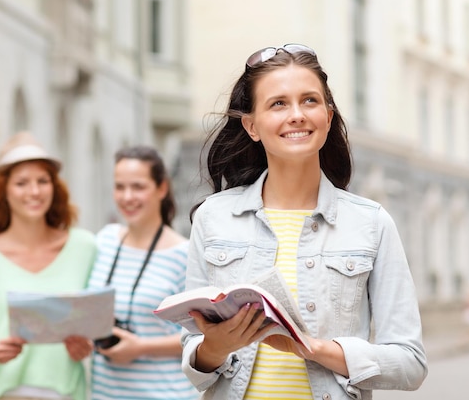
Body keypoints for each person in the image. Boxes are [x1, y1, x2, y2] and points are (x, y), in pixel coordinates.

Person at [181, 44, 428, 399]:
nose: (296, 114)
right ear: (251, 125)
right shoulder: (213, 218)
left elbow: (410, 363)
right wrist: (214, 348)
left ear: (327, 117)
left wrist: (312, 347)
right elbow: (194, 357)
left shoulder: (371, 223)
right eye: (278, 103)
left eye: (309, 101)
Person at [0, 132, 97, 400]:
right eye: (22, 183)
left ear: (54, 187)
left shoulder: (85, 247)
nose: (34, 192)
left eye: (42, 181)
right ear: (4, 190)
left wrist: (86, 345)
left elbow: (99, 322)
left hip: (67, 393)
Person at [88, 145, 199, 400]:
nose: (127, 197)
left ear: (161, 188)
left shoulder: (185, 254)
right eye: (120, 187)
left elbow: (202, 335)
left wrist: (141, 348)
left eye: (138, 187)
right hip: (104, 394)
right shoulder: (103, 241)